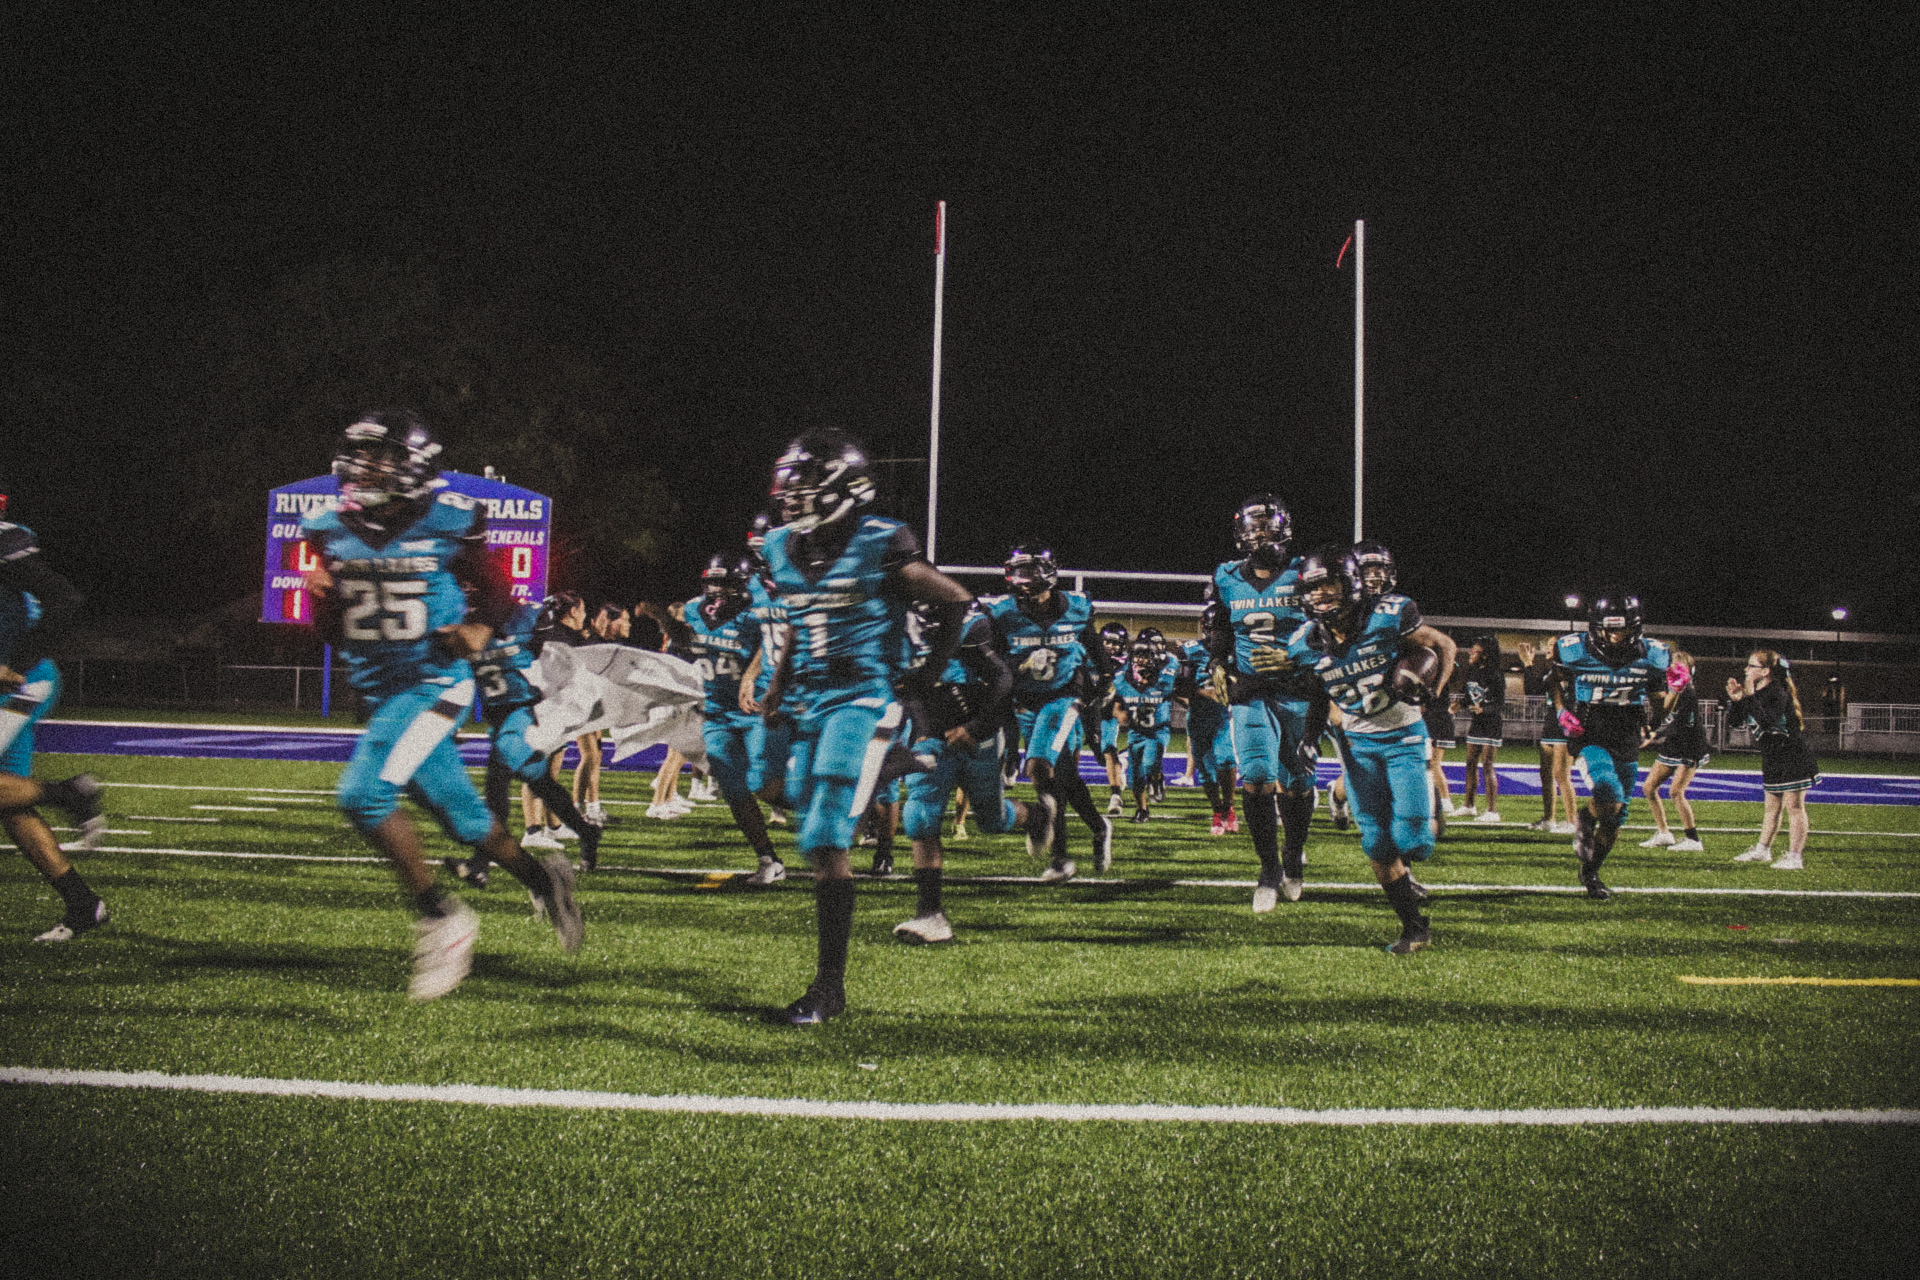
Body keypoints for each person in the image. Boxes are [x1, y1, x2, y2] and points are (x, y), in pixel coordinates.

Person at [301, 410, 581, 999]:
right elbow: (333, 631)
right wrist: (321, 600)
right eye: (361, 455)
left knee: (363, 796)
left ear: (414, 464)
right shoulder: (326, 527)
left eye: (380, 456)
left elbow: (500, 589)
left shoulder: (450, 518)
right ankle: (544, 879)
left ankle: (441, 919)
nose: (364, 467)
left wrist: (480, 626)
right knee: (465, 820)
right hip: (381, 690)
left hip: (435, 682)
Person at [758, 430, 972, 1024]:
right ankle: (894, 764)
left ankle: (829, 989)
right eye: (790, 484)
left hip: (863, 697)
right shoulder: (780, 546)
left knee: (825, 836)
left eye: (805, 484)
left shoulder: (879, 541)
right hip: (812, 698)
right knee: (788, 799)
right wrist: (778, 684)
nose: (792, 495)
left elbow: (956, 598)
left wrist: (926, 674)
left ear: (847, 488)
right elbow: (799, 618)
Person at [1272, 545, 1456, 949]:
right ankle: (1414, 927)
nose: (1320, 595)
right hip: (1356, 744)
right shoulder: (1304, 641)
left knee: (1416, 842)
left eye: (1329, 585)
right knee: (1376, 841)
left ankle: (1428, 816)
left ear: (1350, 583)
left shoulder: (1389, 615)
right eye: (1313, 588)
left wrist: (1433, 694)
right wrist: (1309, 738)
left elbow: (1443, 646)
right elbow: (1319, 692)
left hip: (1403, 735)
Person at [895, 602, 1053, 941]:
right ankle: (930, 914)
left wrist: (976, 728)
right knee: (919, 816)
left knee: (992, 820)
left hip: (978, 735)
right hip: (932, 736)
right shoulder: (892, 627)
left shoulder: (970, 625)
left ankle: (1037, 816)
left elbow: (1002, 679)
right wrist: (923, 730)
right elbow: (908, 689)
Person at [0, 475, 109, 941]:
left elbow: (65, 601)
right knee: (10, 802)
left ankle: (68, 793)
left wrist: (15, 661)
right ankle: (84, 905)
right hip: (16, 682)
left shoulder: (6, 542)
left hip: (21, 682)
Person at [445, 598, 603, 886]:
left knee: (496, 786)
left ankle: (480, 864)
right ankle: (587, 832)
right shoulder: (472, 632)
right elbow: (459, 680)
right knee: (542, 784)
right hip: (501, 719)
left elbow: (555, 654)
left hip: (525, 715)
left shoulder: (526, 621)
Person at [1207, 494, 1315, 910]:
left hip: (1298, 688)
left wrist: (1298, 656)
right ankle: (1269, 869)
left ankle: (1293, 852)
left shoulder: (1306, 572)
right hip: (1250, 690)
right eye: (1253, 528)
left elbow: (1327, 624)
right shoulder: (1226, 576)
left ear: (1284, 529)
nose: (1260, 535)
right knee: (1254, 776)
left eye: (1268, 527)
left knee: (1297, 781)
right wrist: (1218, 660)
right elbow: (1219, 624)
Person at [983, 544, 1115, 881]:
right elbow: (992, 662)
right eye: (1018, 571)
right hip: (1025, 703)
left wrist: (1105, 681)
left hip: (1063, 698)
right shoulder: (1002, 613)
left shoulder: (1076, 607)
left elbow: (1094, 645)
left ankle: (1060, 857)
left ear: (1048, 572)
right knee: (1064, 778)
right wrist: (1018, 666)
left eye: (1029, 571)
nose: (1023, 579)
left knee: (1040, 767)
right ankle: (1099, 828)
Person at [1548, 590, 1673, 901]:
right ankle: (1586, 817)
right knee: (1607, 789)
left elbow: (1658, 701)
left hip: (1627, 736)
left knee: (1615, 817)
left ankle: (1591, 871)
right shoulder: (1574, 649)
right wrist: (1561, 710)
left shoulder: (1653, 655)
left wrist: (1665, 708)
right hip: (1589, 733)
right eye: (1610, 629)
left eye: (1623, 629)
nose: (1616, 636)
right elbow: (1553, 680)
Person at [678, 553, 787, 883]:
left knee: (763, 782)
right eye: (712, 583)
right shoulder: (693, 610)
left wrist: (750, 675)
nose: (717, 590)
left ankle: (831, 809)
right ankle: (768, 858)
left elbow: (771, 646)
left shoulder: (757, 610)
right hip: (716, 713)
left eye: (724, 584)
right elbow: (685, 647)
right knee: (735, 789)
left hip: (753, 707)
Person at [1727, 650, 1820, 869]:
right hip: (1773, 756)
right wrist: (1737, 700)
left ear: (1765, 671)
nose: (1746, 670)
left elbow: (1767, 722)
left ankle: (1795, 857)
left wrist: (1750, 697)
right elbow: (1735, 722)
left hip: (1792, 755)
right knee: (1771, 807)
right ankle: (1763, 850)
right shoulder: (1756, 693)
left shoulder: (1777, 693)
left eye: (1751, 666)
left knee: (1794, 807)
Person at [521, 592, 587, 849]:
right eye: (582, 610)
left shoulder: (557, 634)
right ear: (572, 611)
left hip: (555, 709)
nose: (584, 615)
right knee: (537, 769)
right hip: (543, 709)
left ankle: (554, 826)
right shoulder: (558, 636)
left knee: (551, 771)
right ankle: (532, 830)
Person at [1640, 649, 1708, 851]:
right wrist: (1650, 730)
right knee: (1649, 787)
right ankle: (1664, 833)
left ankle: (1693, 840)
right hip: (1674, 743)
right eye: (1672, 665)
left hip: (1690, 745)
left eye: (1680, 666)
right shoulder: (1671, 689)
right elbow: (1661, 713)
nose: (1674, 669)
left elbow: (1676, 720)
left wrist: (1655, 733)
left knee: (1676, 792)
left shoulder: (1688, 691)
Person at [1180, 602, 1238, 834]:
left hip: (1223, 717)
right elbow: (1180, 687)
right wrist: (1206, 693)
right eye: (1216, 629)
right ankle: (1217, 810)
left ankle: (1229, 807)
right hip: (1198, 717)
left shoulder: (1236, 652)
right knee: (1205, 770)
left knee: (1226, 759)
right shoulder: (1192, 650)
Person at [1114, 639, 1178, 824]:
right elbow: (1116, 706)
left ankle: (1157, 778)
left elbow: (1181, 691)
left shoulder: (1164, 679)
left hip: (1157, 731)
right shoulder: (1123, 680)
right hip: (1136, 732)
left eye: (1145, 656)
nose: (1140, 660)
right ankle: (1142, 810)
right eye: (1137, 655)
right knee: (1134, 779)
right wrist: (1121, 715)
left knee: (1150, 763)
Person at [1518, 640, 1578, 835]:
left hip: (1566, 726)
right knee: (1546, 775)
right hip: (1550, 724)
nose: (1547, 648)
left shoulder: (1572, 670)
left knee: (1562, 775)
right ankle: (1549, 819)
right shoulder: (1550, 670)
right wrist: (1528, 664)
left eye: (1552, 645)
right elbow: (1533, 690)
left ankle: (1572, 821)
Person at [1458, 635, 1506, 823]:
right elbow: (1468, 697)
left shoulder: (1496, 674)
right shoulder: (1472, 672)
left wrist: (1484, 709)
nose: (1471, 653)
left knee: (1487, 764)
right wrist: (1459, 705)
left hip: (1491, 724)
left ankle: (1492, 811)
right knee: (1470, 762)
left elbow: (1500, 703)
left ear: (1485, 654)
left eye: (1475, 651)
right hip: (1477, 723)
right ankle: (1469, 806)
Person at [1093, 621, 1131, 815]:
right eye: (1107, 642)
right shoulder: (1090, 657)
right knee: (1099, 757)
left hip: (1107, 713)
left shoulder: (1126, 665)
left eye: (1115, 643)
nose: (1111, 646)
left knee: (1108, 750)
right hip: (1086, 711)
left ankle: (1116, 796)